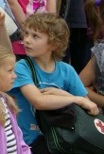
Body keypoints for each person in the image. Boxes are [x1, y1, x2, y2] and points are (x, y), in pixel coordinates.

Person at [9, 13, 99, 152]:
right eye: (26, 34)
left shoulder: (66, 70)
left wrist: (63, 94)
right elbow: (38, 101)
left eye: (35, 36)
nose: (26, 40)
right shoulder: (22, 67)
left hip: (61, 140)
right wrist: (75, 99)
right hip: (30, 143)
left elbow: (89, 108)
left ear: (54, 44)